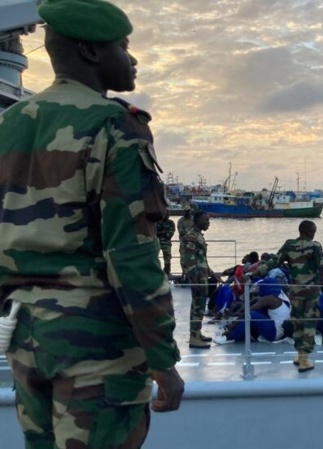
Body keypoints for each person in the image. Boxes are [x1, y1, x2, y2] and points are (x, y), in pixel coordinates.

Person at [0, 1, 184, 446]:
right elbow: (131, 255)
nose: (132, 58)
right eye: (123, 46)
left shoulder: (8, 123)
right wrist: (164, 360)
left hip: (26, 337)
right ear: (90, 52)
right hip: (98, 346)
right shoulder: (115, 126)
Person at [257, 220, 323, 372]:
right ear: (309, 232)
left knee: (297, 321)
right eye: (313, 231)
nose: (314, 234)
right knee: (309, 323)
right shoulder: (315, 246)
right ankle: (304, 358)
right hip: (311, 292)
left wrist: (257, 272)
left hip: (295, 291)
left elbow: (274, 261)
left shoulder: (289, 245)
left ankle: (299, 353)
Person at [181, 211, 221, 348]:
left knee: (200, 304)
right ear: (197, 221)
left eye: (209, 220)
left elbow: (200, 258)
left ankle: (197, 333)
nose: (208, 223)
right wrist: (194, 278)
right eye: (205, 220)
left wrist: (212, 273)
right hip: (197, 276)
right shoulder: (192, 236)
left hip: (202, 274)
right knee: (197, 305)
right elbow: (188, 259)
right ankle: (193, 337)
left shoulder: (198, 235)